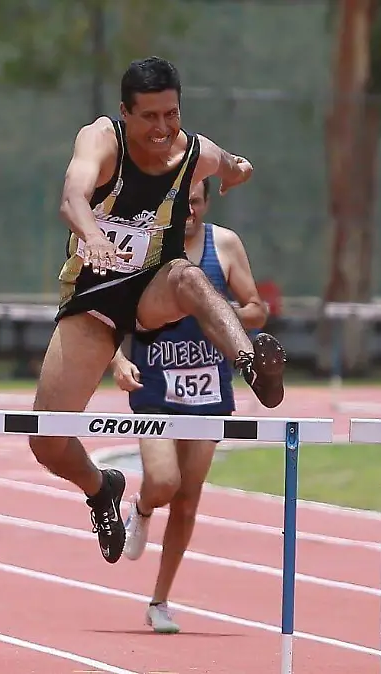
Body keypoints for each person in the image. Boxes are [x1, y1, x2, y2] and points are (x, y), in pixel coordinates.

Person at [29, 56, 287, 566]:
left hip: (152, 287)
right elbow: (71, 199)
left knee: (189, 277)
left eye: (171, 114)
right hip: (95, 296)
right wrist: (95, 234)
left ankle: (250, 361)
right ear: (125, 112)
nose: (163, 128)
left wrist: (239, 170)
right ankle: (101, 489)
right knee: (47, 441)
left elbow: (231, 163)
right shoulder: (102, 140)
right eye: (150, 116)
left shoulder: (192, 151)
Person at [108, 176, 267, 633]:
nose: (189, 213)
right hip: (155, 385)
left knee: (188, 501)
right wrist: (117, 360)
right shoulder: (146, 246)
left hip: (208, 388)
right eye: (181, 205)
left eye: (195, 204)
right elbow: (111, 312)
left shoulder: (226, 245)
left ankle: (160, 600)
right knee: (163, 482)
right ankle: (139, 508)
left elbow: (256, 309)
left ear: (206, 202)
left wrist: (213, 311)